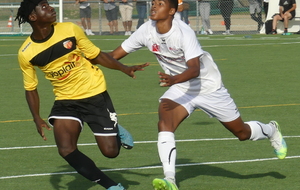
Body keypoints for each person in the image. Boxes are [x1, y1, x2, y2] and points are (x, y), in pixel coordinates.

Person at [108, 0, 287, 189]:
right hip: (180, 87)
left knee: (242, 132)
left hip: (207, 86)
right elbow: (113, 56)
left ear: (171, 11)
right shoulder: (146, 30)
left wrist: (174, 79)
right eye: (153, 2)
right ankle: (170, 179)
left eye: (159, 3)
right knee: (164, 122)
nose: (153, 6)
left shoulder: (183, 32)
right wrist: (87, 56)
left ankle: (271, 130)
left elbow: (194, 70)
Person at [15, 0, 149, 190]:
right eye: (44, 6)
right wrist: (36, 117)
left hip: (94, 94)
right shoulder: (26, 53)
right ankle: (112, 186)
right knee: (66, 149)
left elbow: (95, 55)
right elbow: (30, 88)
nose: (51, 8)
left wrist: (124, 68)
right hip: (65, 100)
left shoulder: (70, 29)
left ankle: (115, 128)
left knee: (111, 152)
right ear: (33, 17)